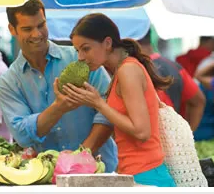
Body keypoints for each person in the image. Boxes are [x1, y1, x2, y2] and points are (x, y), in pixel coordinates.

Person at [0, 0, 118, 173]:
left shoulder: (82, 58)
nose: (37, 34)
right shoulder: (7, 83)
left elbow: (108, 111)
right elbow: (22, 134)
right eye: (27, 29)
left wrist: (81, 156)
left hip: (101, 171)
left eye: (41, 25)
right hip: (49, 179)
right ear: (12, 29)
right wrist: (58, 108)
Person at [63, 13, 176, 187]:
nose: (80, 57)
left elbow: (141, 132)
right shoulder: (120, 71)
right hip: (135, 173)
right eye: (77, 50)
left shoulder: (128, 70)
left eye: (86, 49)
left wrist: (98, 103)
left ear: (107, 43)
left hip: (147, 175)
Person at [138, 30, 205, 131]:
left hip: (148, 140)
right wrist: (187, 135)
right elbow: (199, 101)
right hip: (172, 137)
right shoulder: (174, 66)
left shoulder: (132, 69)